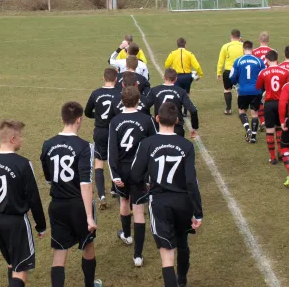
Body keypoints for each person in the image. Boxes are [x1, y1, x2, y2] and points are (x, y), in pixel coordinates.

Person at [130, 103, 203, 287]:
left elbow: (135, 175)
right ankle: (183, 281)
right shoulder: (186, 145)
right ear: (177, 120)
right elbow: (191, 181)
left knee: (166, 253)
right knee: (182, 242)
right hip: (183, 202)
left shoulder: (147, 143)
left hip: (160, 202)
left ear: (157, 119)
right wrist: (198, 212)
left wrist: (145, 187)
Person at [0, 120, 47, 287]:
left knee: (12, 263)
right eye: (21, 136)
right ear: (13, 139)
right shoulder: (23, 164)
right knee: (21, 269)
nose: (23, 140)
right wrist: (41, 225)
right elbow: (33, 198)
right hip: (17, 223)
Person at [41, 102, 100, 287]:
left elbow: (49, 178)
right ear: (80, 120)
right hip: (79, 206)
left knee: (59, 252)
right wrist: (89, 217)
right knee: (88, 246)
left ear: (62, 119)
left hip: (57, 205)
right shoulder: (84, 146)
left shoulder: (47, 144)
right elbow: (85, 183)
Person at [108, 86, 157, 267]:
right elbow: (154, 147)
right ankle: (138, 255)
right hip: (140, 172)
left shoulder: (115, 121)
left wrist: (114, 175)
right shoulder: (147, 120)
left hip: (122, 171)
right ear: (138, 101)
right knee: (138, 210)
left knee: (123, 202)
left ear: (122, 101)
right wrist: (150, 176)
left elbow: (111, 151)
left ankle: (127, 235)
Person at [85, 67, 120, 209]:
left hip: (100, 131)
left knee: (99, 162)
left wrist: (97, 116)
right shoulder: (119, 93)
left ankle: (102, 196)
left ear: (103, 78)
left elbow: (87, 112)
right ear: (116, 79)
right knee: (115, 160)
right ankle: (114, 190)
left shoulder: (96, 93)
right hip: (114, 131)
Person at [256, 50, 289, 164]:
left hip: (269, 104)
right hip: (282, 103)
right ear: (277, 59)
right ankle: (281, 152)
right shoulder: (286, 72)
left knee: (270, 130)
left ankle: (272, 158)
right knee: (280, 128)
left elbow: (258, 87)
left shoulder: (263, 72)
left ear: (266, 60)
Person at [146, 68, 199, 138]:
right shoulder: (181, 92)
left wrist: (150, 119)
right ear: (176, 79)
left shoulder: (154, 90)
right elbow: (193, 110)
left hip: (159, 127)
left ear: (164, 77)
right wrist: (194, 127)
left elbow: (144, 106)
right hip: (176, 128)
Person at [229, 41, 265, 143]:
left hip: (243, 91)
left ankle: (247, 129)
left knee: (242, 111)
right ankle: (253, 136)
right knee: (254, 114)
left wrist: (236, 84)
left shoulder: (238, 61)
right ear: (252, 49)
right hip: (256, 91)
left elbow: (231, 76)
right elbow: (264, 74)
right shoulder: (258, 61)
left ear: (243, 49)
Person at [164, 38, 203, 117]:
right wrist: (200, 74)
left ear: (177, 44)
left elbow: (166, 65)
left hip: (177, 77)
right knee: (186, 93)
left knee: (177, 93)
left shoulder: (173, 53)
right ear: (185, 44)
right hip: (187, 76)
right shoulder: (189, 54)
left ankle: (178, 111)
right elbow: (197, 66)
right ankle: (185, 111)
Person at [217, 29, 243, 115]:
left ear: (231, 36)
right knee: (239, 90)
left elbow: (221, 61)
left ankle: (228, 109)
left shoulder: (225, 46)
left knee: (227, 89)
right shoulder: (243, 46)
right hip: (240, 71)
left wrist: (219, 72)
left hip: (228, 71)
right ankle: (241, 109)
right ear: (240, 37)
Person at [252, 32, 275, 129]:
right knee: (270, 100)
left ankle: (262, 121)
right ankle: (271, 120)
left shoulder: (254, 51)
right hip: (270, 79)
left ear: (259, 40)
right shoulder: (273, 51)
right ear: (268, 41)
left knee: (259, 101)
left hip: (259, 79)